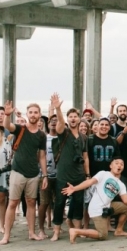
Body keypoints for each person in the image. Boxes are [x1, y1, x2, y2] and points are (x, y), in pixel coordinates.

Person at [62, 158, 127, 243]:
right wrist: (74, 188)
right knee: (102, 235)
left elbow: (126, 200)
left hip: (107, 206)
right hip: (96, 209)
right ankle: (76, 231)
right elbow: (89, 182)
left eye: (122, 164)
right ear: (110, 165)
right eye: (116, 163)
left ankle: (119, 230)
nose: (119, 165)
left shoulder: (121, 184)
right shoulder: (103, 174)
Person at [0, 101, 48, 244]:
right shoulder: (20, 129)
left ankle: (32, 232)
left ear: (39, 115)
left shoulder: (41, 135)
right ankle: (6, 235)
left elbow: (42, 156)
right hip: (18, 171)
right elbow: (7, 126)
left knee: (31, 202)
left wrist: (44, 175)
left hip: (33, 173)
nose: (33, 115)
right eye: (31, 112)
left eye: (36, 112)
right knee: (13, 203)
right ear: (27, 114)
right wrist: (7, 115)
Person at [50, 96, 89, 242]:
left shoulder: (84, 137)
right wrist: (58, 108)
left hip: (78, 176)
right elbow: (59, 122)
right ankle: (57, 232)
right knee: (59, 203)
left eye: (75, 116)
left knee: (78, 203)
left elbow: (86, 157)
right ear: (68, 119)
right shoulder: (63, 132)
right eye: (70, 116)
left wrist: (87, 174)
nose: (73, 119)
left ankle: (77, 231)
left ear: (79, 119)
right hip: (63, 175)